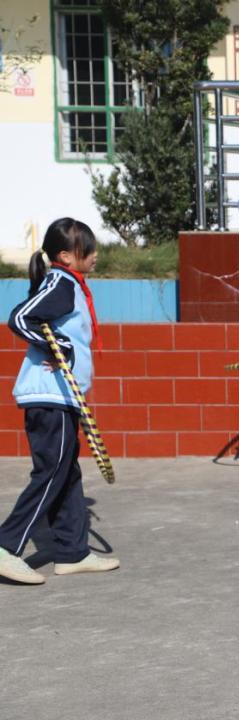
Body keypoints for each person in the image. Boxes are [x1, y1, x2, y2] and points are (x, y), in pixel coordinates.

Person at [0, 218, 119, 585]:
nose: (96, 255)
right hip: (49, 394)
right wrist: (60, 346)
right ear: (66, 256)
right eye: (89, 250)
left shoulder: (71, 284)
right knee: (52, 471)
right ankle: (5, 546)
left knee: (66, 471)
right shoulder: (61, 283)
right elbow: (21, 318)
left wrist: (62, 347)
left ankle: (72, 552)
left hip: (63, 396)